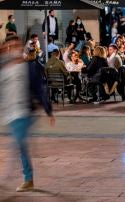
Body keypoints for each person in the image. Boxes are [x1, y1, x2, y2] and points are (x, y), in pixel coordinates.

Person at [0, 35, 55, 192]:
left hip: (23, 112)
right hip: (10, 113)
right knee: (19, 145)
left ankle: (25, 178)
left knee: (18, 144)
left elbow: (39, 89)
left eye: (16, 46)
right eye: (9, 47)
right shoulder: (4, 68)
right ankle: (25, 178)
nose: (12, 50)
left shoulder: (27, 68)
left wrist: (48, 110)